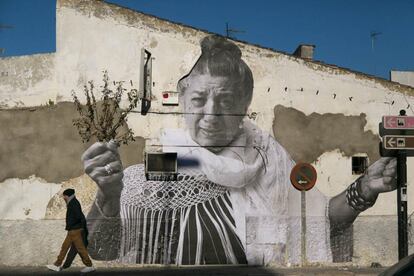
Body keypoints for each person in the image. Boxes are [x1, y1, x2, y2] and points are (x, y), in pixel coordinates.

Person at [82, 35, 397, 265]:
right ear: (182, 99)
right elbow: (100, 249)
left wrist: (363, 189)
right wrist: (109, 195)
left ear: (245, 105)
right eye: (198, 100)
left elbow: (319, 220)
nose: (210, 115)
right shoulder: (161, 168)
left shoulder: (270, 162)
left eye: (226, 102)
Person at [46, 188, 96, 273]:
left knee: (80, 249)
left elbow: (78, 216)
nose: (64, 198)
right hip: (72, 230)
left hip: (75, 230)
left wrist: (72, 224)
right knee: (64, 247)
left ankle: (89, 265)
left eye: (64, 196)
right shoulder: (72, 202)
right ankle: (57, 265)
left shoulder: (74, 203)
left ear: (67, 196)